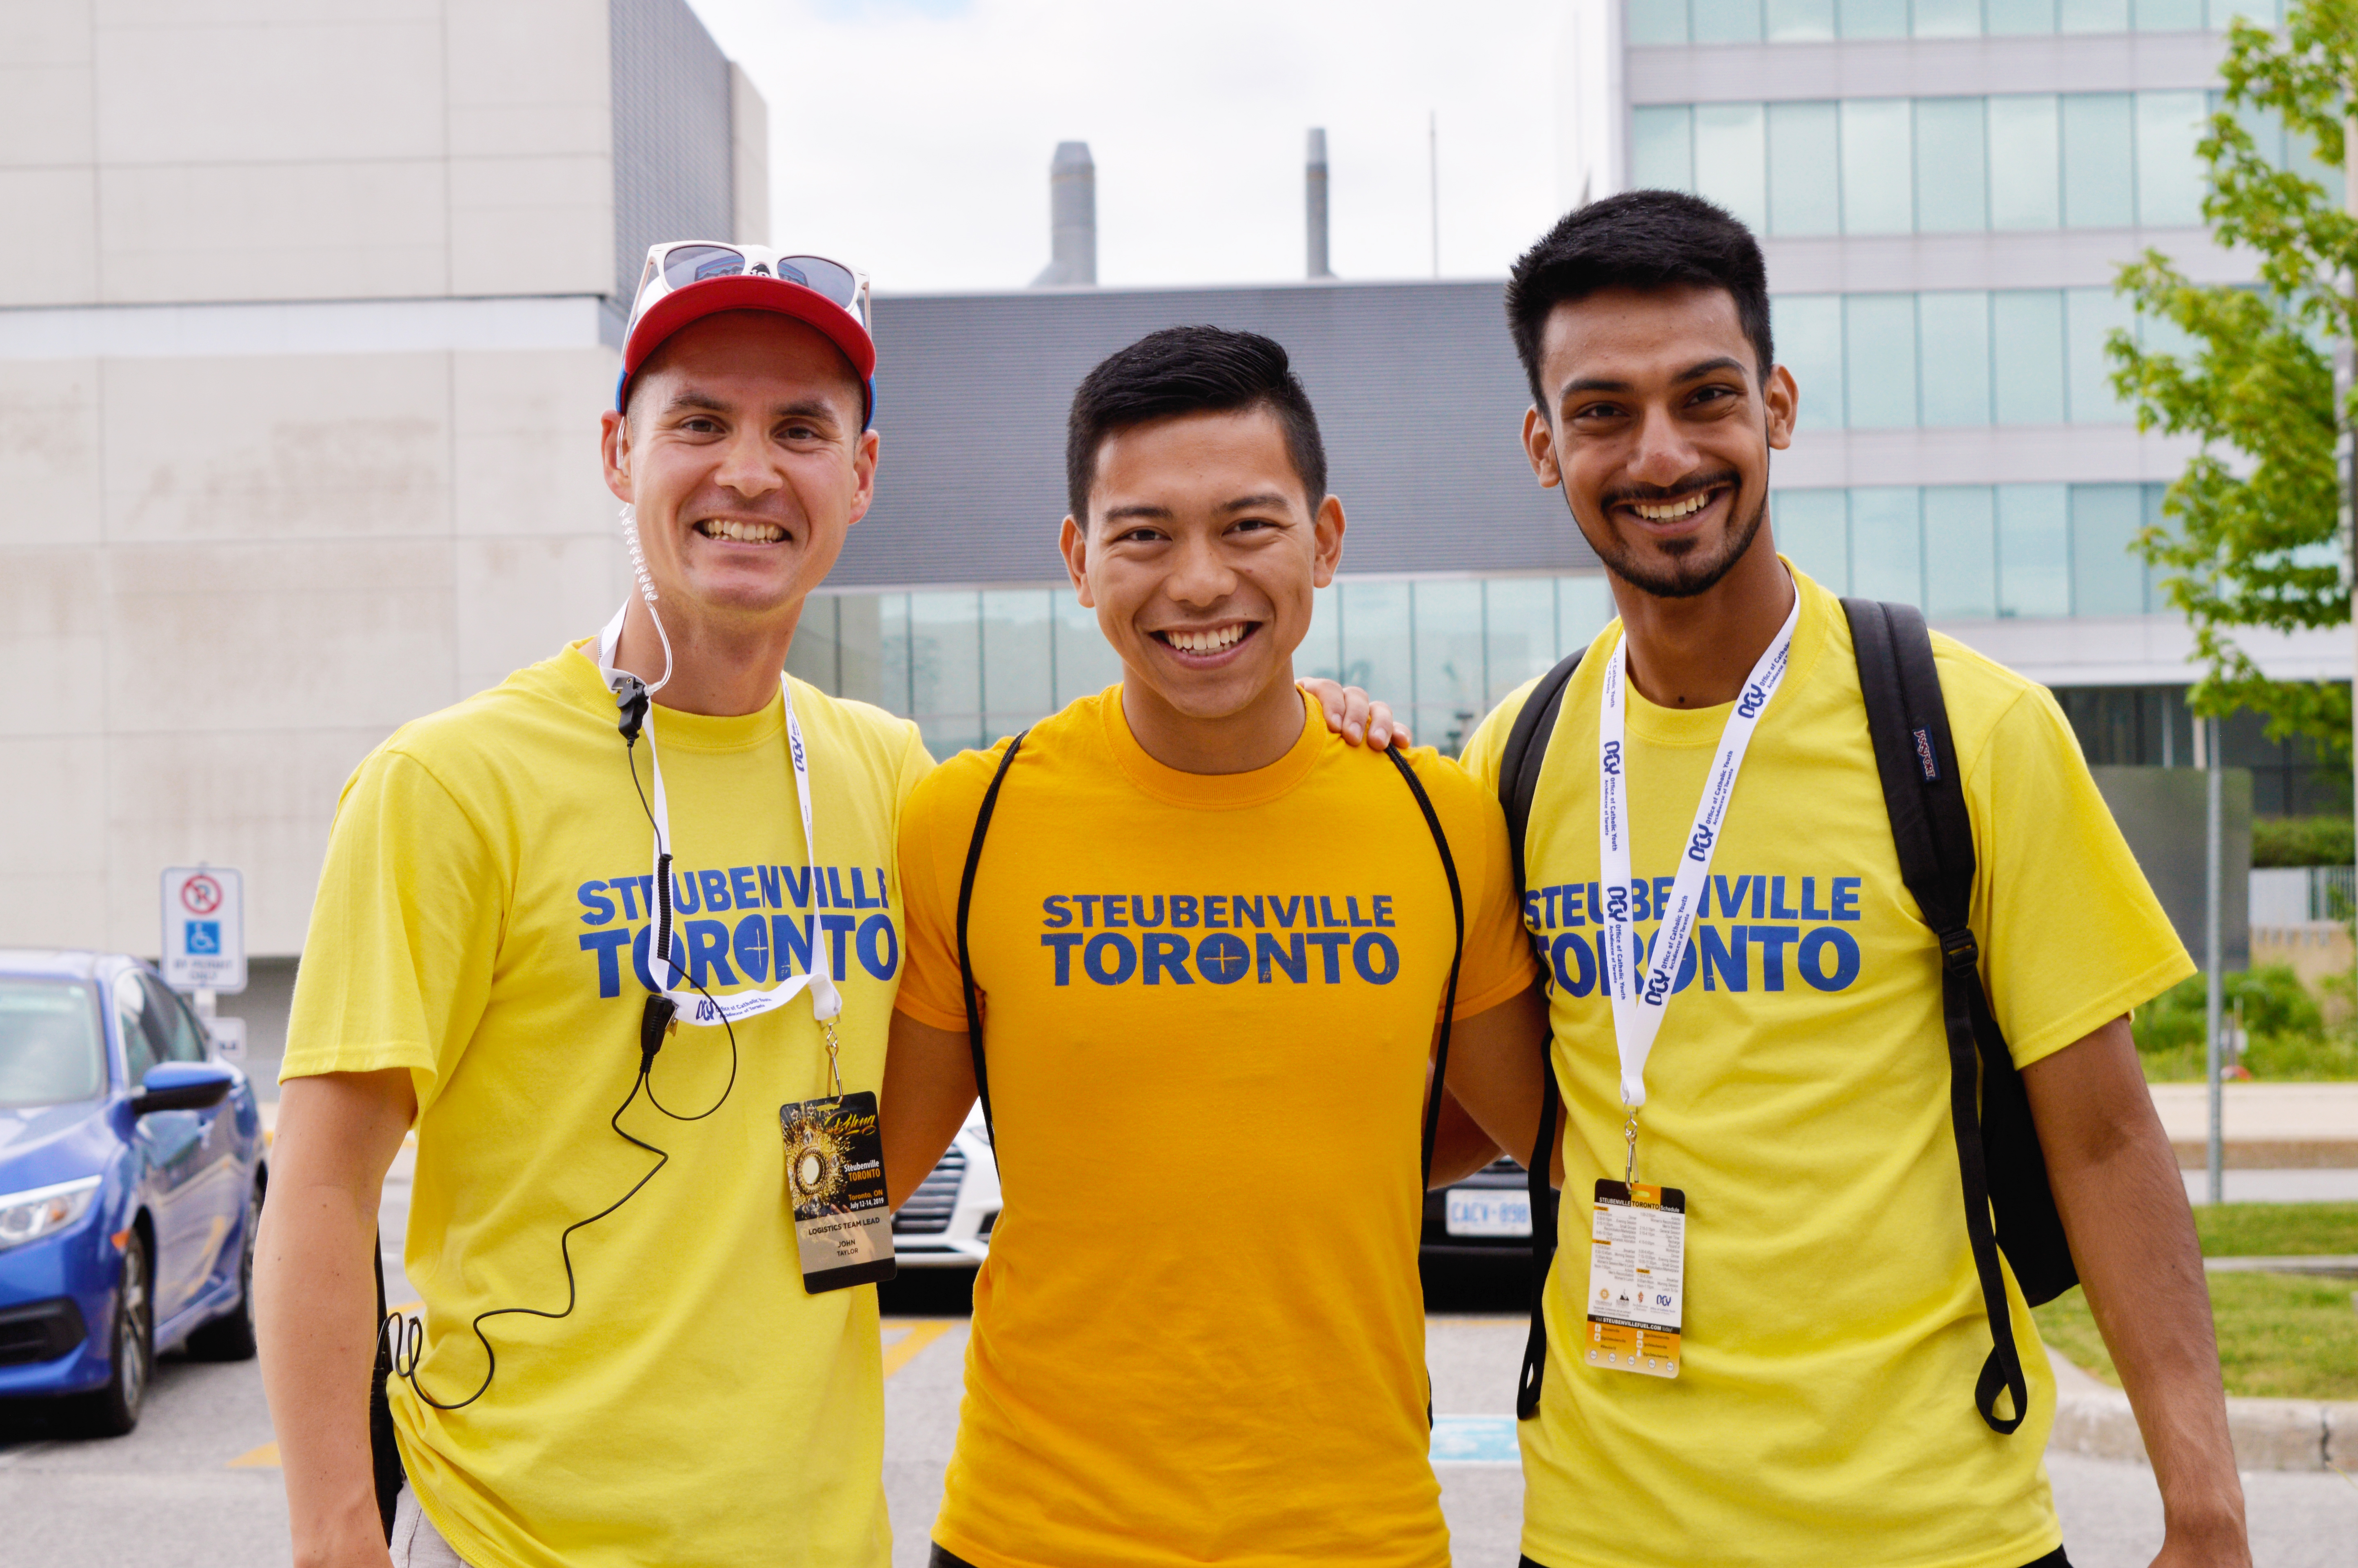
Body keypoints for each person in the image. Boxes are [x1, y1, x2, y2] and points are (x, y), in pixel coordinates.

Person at [1432, 191, 2250, 1568]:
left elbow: (2106, 1137)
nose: (1662, 453)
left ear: (1779, 407)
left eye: (1706, 397)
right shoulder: (1512, 757)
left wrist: (2207, 1508)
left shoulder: (1965, 729)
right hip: (1601, 1531)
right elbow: (1479, 1101)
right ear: (1540, 444)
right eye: (1601, 412)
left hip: (1932, 1530)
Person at [255, 243, 927, 1568]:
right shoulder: (448, 782)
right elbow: (324, 1182)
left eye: (800, 428)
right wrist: (336, 1533)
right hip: (516, 1535)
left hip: (817, 1541)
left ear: (859, 474)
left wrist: (1304, 723)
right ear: (618, 452)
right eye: (699, 422)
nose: (748, 471)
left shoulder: (888, 774)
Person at [879, 325, 1548, 1568]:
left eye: (1248, 526)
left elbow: (1552, 1129)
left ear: (1325, 541)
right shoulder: (966, 819)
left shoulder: (1437, 818)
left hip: (1357, 1534)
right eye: (1143, 534)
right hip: (1034, 1533)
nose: (1197, 582)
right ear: (1079, 560)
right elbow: (857, 1194)